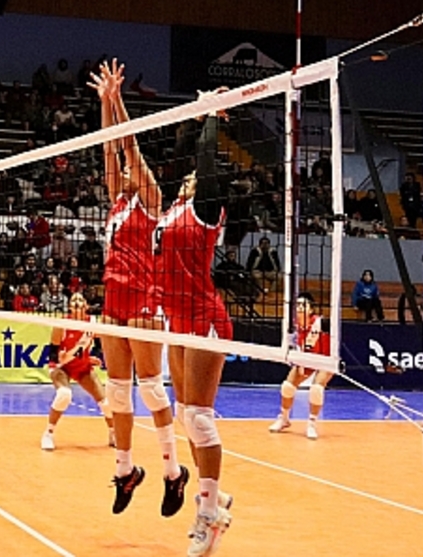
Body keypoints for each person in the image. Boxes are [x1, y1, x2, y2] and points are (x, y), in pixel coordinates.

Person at [86, 61, 189, 521]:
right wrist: (103, 104)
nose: (122, 171)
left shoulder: (150, 197)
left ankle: (172, 472)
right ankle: (126, 471)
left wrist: (118, 100)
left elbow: (127, 146)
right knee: (118, 395)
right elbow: (110, 146)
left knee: (150, 390)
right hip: (112, 303)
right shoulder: (117, 200)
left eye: (127, 169)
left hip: (145, 303)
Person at [156, 89, 236, 557]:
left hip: (204, 318)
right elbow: (184, 153)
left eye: (194, 178)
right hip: (175, 320)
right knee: (186, 415)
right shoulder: (173, 210)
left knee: (200, 420)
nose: (188, 178)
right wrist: (194, 110)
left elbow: (203, 158)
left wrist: (213, 118)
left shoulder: (206, 210)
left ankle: (209, 515)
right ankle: (214, 495)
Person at [40, 316, 114, 451]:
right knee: (64, 395)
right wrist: (59, 357)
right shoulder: (62, 324)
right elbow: (52, 353)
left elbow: (98, 346)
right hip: (62, 367)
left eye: (80, 300)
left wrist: (90, 357)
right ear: (70, 307)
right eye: (74, 300)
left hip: (82, 367)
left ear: (85, 306)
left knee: (106, 403)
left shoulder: (91, 325)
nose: (77, 302)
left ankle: (113, 433)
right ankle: (48, 433)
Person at [268, 293, 334, 440]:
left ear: (311, 310)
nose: (299, 307)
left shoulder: (320, 322)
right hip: (307, 358)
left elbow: (334, 330)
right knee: (287, 386)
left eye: (303, 305)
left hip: (326, 359)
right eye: (297, 305)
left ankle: (312, 423)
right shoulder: (293, 325)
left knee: (316, 389)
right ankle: (284, 418)